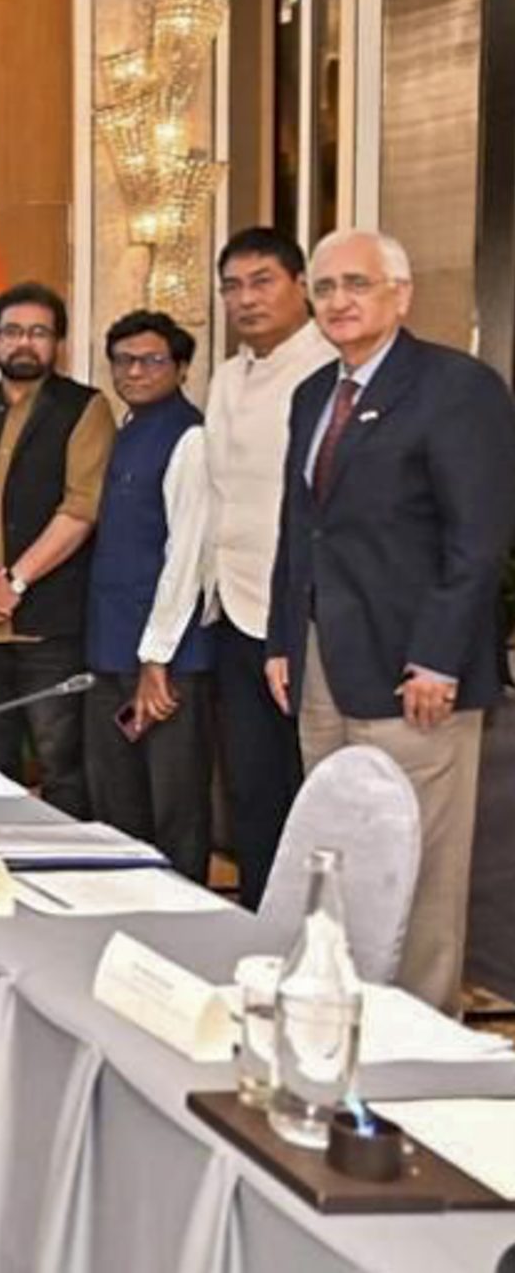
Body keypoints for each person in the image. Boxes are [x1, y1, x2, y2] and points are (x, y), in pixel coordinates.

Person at [267, 230, 515, 1009]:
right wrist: (281, 639)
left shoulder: (457, 387)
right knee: (334, 850)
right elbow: (300, 529)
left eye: (357, 284)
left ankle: (417, 1033)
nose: (338, 301)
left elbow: (477, 539)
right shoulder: (313, 393)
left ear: (400, 295)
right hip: (321, 662)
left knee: (420, 869)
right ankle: (337, 1014)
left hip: (416, 669)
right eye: (324, 287)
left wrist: (438, 657)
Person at [0, 283, 115, 817]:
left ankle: (61, 859)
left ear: (58, 342)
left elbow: (82, 507)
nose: (24, 343)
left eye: (38, 332)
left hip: (47, 621)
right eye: (12, 331)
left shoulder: (84, 408)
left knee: (62, 760)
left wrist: (15, 583)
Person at [204, 227, 333, 908]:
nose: (245, 299)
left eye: (262, 282)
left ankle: (315, 931)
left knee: (309, 785)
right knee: (251, 788)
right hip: (233, 607)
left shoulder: (329, 369)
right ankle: (258, 923)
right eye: (232, 286)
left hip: (303, 617)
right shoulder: (227, 375)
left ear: (300, 286)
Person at [82, 311, 215, 884]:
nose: (134, 371)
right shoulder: (127, 429)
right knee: (117, 800)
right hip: (111, 646)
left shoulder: (191, 438)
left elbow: (187, 557)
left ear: (182, 368)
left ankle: (185, 915)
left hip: (166, 662)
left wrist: (156, 659)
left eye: (152, 360)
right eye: (123, 361)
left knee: (174, 805)